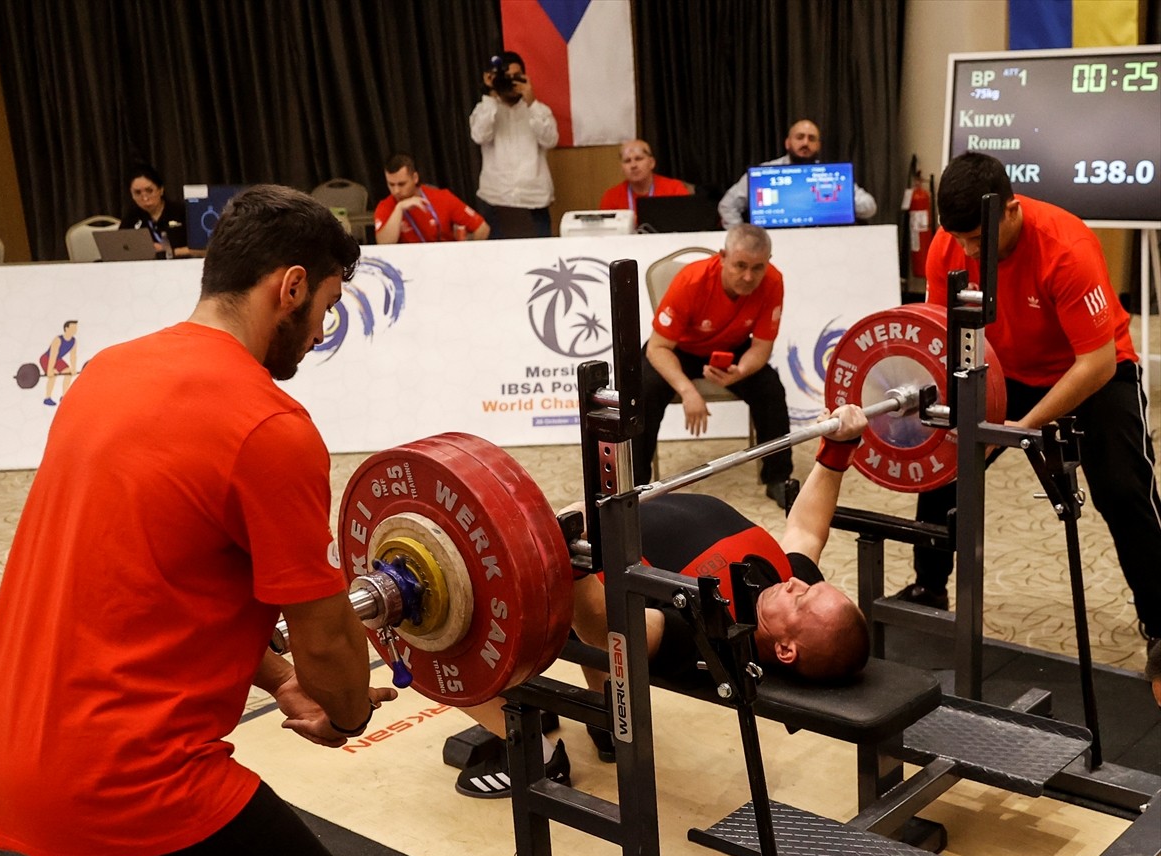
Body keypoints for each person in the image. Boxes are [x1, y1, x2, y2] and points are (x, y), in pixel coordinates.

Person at [0, 185, 397, 856]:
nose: (321, 332)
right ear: (289, 287)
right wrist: (345, 713)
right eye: (324, 308)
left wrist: (281, 681)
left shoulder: (107, 373)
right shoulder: (269, 427)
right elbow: (327, 639)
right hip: (120, 781)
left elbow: (158, 580)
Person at [455, 403, 872, 792]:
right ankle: (609, 723)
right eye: (812, 585)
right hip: (604, 524)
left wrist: (573, 554)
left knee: (432, 634)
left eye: (801, 601)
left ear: (784, 649)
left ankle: (540, 758)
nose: (799, 585)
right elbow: (807, 531)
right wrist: (837, 451)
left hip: (573, 565)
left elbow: (610, 629)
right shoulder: (786, 585)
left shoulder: (715, 634)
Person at [897, 152, 1161, 669]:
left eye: (979, 239)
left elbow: (1097, 362)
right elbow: (940, 333)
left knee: (1125, 490)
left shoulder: (1068, 247)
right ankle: (929, 588)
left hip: (1090, 371)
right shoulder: (950, 245)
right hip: (1003, 367)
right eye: (963, 240)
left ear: (1011, 211)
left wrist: (1020, 429)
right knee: (944, 461)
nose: (969, 251)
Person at [634, 224, 793, 506]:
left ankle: (778, 479)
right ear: (722, 257)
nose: (748, 276)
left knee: (770, 389)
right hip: (679, 349)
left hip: (731, 350)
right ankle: (636, 486)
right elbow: (658, 349)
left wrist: (741, 372)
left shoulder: (774, 282)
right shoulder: (690, 282)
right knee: (644, 390)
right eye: (740, 265)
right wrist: (688, 391)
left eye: (757, 268)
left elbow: (761, 347)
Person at [717, 119, 878, 227]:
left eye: (811, 138)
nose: (805, 143)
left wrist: (840, 203)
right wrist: (744, 239)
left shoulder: (830, 175)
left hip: (823, 243)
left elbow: (869, 207)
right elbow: (727, 205)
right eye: (800, 137)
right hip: (774, 244)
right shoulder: (764, 173)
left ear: (818, 145)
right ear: (788, 143)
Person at [469, 51, 558, 238]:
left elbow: (550, 140)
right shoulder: (484, 109)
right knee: (499, 262)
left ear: (525, 77)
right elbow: (479, 135)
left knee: (540, 262)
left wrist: (531, 101)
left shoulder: (539, 110)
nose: (511, 83)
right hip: (497, 201)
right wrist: (491, 94)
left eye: (516, 77)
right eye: (505, 78)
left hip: (533, 201)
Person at [373, 154, 490, 244]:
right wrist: (399, 209)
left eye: (401, 184)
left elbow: (482, 228)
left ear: (415, 178)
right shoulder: (386, 206)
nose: (396, 191)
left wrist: (464, 252)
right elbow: (384, 244)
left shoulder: (442, 197)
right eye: (391, 185)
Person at [598, 139, 690, 218]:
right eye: (627, 161)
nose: (633, 165)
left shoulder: (674, 189)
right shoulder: (611, 197)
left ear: (652, 163)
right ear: (622, 168)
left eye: (638, 159)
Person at [120, 164, 191, 258]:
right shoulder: (131, 218)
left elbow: (202, 249)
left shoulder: (182, 212)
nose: (145, 198)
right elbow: (121, 249)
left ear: (161, 190)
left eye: (149, 191)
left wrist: (170, 252)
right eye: (137, 193)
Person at [39, 319, 78, 407]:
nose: (75, 329)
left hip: (58, 359)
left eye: (76, 328)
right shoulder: (58, 340)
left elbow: (73, 356)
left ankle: (64, 396)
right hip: (47, 358)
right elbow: (53, 355)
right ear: (66, 328)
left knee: (68, 372)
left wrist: (74, 368)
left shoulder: (73, 341)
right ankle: (47, 398)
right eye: (73, 327)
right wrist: (50, 370)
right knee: (53, 375)